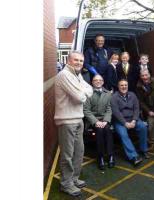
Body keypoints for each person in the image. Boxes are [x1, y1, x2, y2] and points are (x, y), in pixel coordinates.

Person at [54, 51, 93, 196]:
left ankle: (74, 178)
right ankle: (66, 183)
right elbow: (79, 98)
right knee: (67, 154)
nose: (79, 63)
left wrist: (83, 91)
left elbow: (90, 89)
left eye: (81, 61)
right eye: (76, 60)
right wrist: (83, 91)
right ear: (69, 60)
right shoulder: (64, 75)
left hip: (78, 119)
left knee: (79, 151)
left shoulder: (77, 75)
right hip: (66, 121)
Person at [111, 79, 149, 166]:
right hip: (120, 121)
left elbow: (136, 108)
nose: (124, 87)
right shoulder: (114, 97)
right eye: (122, 85)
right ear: (118, 86)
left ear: (127, 86)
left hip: (133, 119)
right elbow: (116, 112)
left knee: (143, 127)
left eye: (125, 85)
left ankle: (144, 150)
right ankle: (133, 156)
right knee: (123, 134)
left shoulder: (132, 95)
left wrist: (134, 120)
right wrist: (125, 123)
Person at [83, 75, 115, 170]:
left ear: (103, 82)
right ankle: (100, 157)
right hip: (93, 120)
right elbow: (86, 110)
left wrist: (105, 120)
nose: (98, 81)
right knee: (99, 131)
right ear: (92, 82)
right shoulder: (88, 93)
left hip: (105, 119)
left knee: (108, 129)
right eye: (95, 80)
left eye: (100, 80)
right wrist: (96, 122)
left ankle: (110, 155)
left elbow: (109, 109)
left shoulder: (108, 93)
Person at [136, 69, 154, 152]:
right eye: (143, 75)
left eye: (146, 75)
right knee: (151, 124)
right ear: (140, 76)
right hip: (149, 111)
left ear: (149, 75)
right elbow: (141, 101)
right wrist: (148, 111)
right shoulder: (138, 86)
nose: (145, 77)